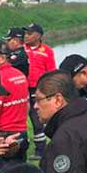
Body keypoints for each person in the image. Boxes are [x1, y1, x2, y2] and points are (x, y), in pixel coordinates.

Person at [0, 40, 31, 163]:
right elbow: (27, 105)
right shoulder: (20, 75)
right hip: (22, 133)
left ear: (1, 58)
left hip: (5, 136)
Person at [24, 23, 57, 159]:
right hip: (21, 89)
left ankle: (41, 150)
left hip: (37, 90)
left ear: (38, 35)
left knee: (37, 120)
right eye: (26, 33)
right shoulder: (20, 49)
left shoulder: (47, 51)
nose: (26, 36)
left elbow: (51, 72)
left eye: (30, 34)